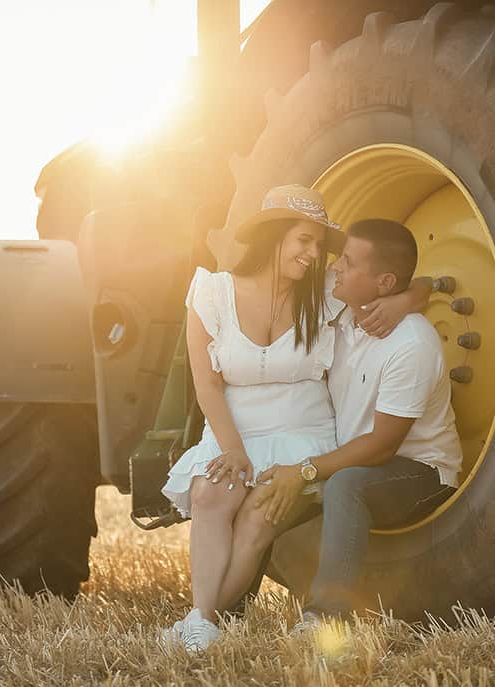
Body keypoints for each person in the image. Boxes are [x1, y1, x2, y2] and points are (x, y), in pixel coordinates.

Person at [160, 187, 431, 652]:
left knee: (258, 516)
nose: (313, 256)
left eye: (318, 246)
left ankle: (199, 624)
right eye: (304, 241)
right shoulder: (212, 292)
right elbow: (206, 384)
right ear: (274, 236)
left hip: (302, 432)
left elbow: (415, 282)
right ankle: (203, 621)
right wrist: (233, 450)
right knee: (210, 493)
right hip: (234, 431)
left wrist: (407, 301)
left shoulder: (324, 293)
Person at [253, 218, 462, 627]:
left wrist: (307, 469)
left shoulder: (412, 344)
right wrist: (413, 292)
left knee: (346, 484)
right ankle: (219, 614)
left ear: (384, 282)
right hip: (354, 460)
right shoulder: (341, 317)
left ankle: (324, 617)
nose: (334, 267)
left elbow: (383, 445)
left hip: (419, 470)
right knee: (262, 486)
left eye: (347, 262)